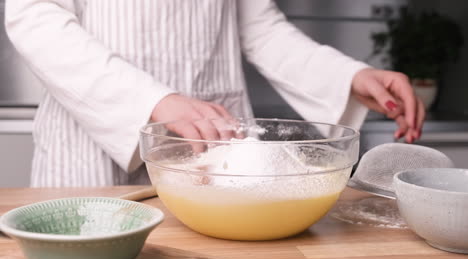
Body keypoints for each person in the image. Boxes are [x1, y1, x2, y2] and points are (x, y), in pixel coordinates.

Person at [5, 0, 424, 187]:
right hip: (89, 152)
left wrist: (349, 76)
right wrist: (152, 102)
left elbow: (259, 27)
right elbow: (34, 15)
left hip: (212, 152)